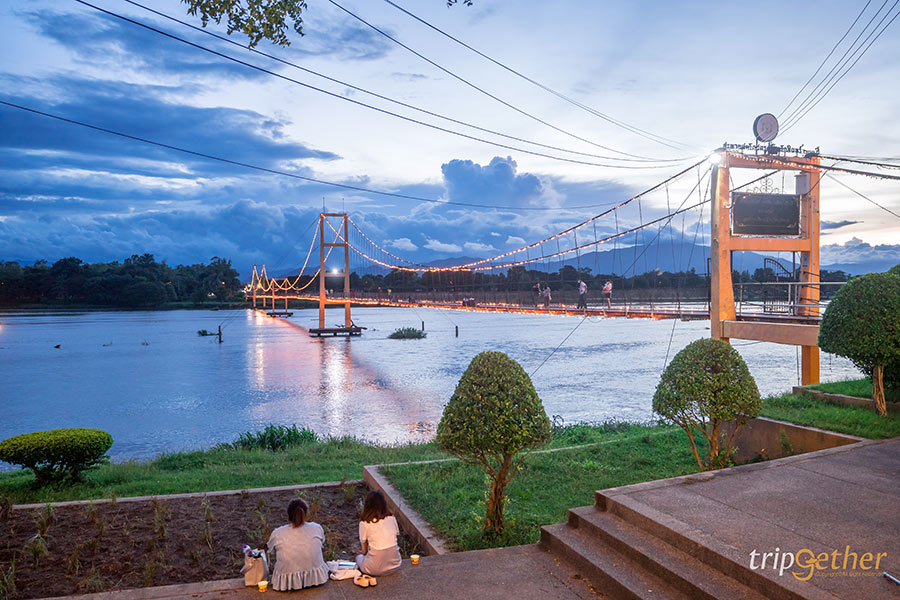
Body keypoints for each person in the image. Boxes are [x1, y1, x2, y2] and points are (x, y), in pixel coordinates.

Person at [266, 498, 329, 591]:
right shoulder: (316, 528)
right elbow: (320, 545)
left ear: (288, 515)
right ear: (306, 513)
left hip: (286, 582)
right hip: (318, 579)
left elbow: (271, 551)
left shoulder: (277, 533)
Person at [356, 491, 402, 576]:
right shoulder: (392, 518)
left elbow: (364, 551)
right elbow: (395, 537)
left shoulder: (364, 523)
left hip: (374, 569)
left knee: (358, 558)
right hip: (395, 564)